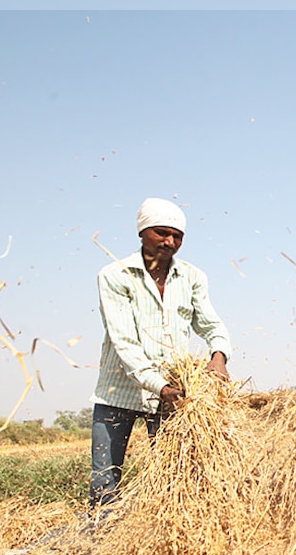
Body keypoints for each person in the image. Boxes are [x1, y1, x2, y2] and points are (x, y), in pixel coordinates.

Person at [89, 197, 232, 519]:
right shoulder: (115, 275)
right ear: (142, 233)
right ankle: (97, 545)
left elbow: (210, 323)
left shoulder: (192, 277)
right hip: (118, 392)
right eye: (161, 233)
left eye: (177, 236)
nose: (169, 242)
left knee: (173, 477)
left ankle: (166, 537)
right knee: (104, 481)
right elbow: (123, 341)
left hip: (172, 398)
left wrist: (219, 355)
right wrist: (159, 384)